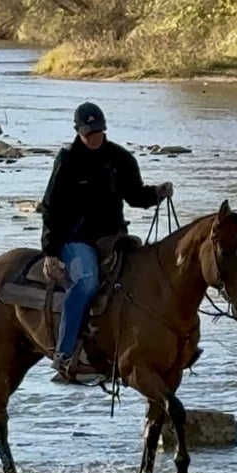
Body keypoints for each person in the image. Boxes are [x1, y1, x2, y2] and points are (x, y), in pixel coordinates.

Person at [41, 101, 173, 376]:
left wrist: (156, 193)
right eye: (88, 133)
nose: (94, 137)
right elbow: (51, 207)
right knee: (86, 283)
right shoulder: (67, 160)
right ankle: (65, 353)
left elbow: (135, 195)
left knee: (146, 278)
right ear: (78, 131)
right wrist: (50, 252)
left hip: (114, 236)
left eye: (98, 131)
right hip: (76, 239)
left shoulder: (120, 159)